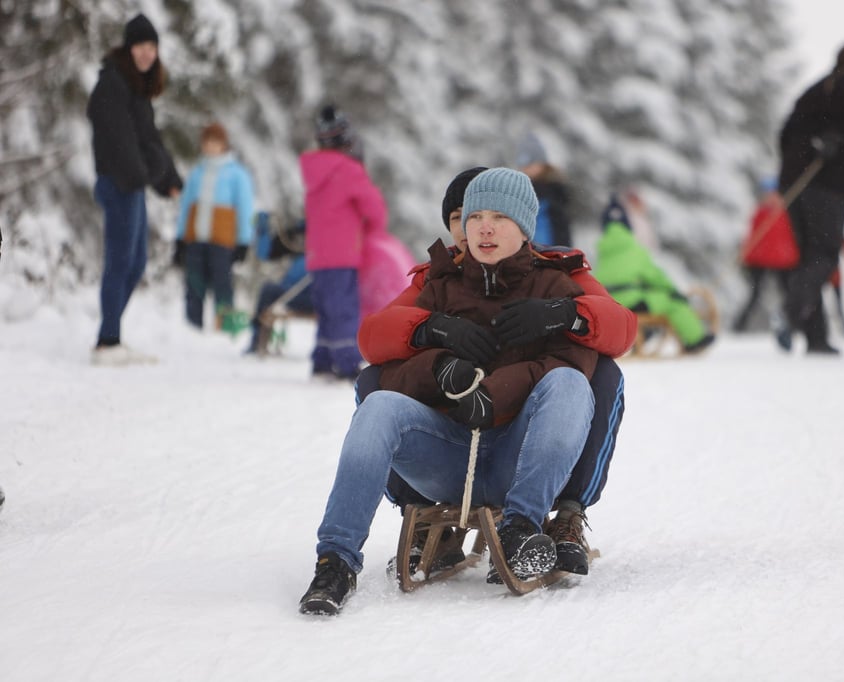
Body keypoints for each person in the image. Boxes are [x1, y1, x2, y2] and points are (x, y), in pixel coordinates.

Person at [299, 168, 598, 615]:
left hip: (520, 459)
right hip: (449, 458)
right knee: (379, 405)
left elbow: (577, 365)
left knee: (571, 385)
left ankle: (521, 529)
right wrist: (437, 365)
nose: (484, 227)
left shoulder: (554, 287)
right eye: (474, 216)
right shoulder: (439, 287)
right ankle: (336, 561)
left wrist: (498, 391)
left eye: (499, 216)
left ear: (524, 227)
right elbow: (386, 368)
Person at [356, 166, 637, 577]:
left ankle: (567, 516)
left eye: (494, 218)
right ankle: (419, 514)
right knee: (375, 382)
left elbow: (621, 328)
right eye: (462, 220)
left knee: (601, 375)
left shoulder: (552, 270)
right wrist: (428, 329)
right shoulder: (439, 277)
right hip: (457, 431)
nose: (473, 232)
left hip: (523, 422)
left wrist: (567, 314)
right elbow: (373, 337)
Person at [87, 13, 182, 365]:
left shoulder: (136, 89)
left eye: (153, 46)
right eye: (141, 45)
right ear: (129, 48)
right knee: (119, 263)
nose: (147, 53)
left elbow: (149, 140)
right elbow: (122, 143)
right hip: (118, 184)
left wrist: (168, 179)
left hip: (133, 186)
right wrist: (147, 174)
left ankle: (109, 335)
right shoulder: (112, 83)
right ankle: (108, 341)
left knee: (136, 262)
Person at [778, 43, 844, 355]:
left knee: (808, 258)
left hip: (793, 182)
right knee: (825, 253)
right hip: (825, 183)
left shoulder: (814, 90)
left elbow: (785, 132)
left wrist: (796, 160)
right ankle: (790, 313)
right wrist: (833, 149)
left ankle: (816, 337)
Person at [300, 105, 388, 380]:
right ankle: (347, 362)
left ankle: (322, 359)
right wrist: (374, 230)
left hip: (317, 255)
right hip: (343, 254)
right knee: (344, 309)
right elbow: (374, 208)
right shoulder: (349, 170)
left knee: (325, 308)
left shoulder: (313, 172)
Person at [593, 194, 715, 353]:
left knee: (647, 300)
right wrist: (674, 292)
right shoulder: (635, 249)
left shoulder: (602, 253)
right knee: (672, 302)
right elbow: (656, 277)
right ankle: (695, 340)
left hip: (609, 303)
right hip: (633, 302)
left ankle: (641, 337)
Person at [174, 123, 255, 331]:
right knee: (194, 284)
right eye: (207, 142)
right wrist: (180, 238)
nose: (210, 147)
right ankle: (193, 327)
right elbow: (185, 206)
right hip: (196, 238)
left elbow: (245, 209)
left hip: (222, 241)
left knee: (222, 285)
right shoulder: (197, 173)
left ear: (223, 144)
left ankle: (225, 327)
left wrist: (243, 241)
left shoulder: (236, 174)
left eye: (215, 143)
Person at [733, 176, 799, 335]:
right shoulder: (760, 213)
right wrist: (745, 253)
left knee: (789, 295)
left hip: (783, 260)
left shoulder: (787, 212)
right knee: (754, 294)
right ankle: (739, 326)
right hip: (760, 259)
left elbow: (791, 237)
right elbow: (752, 236)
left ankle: (793, 326)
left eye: (773, 193)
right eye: (767, 194)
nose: (770, 197)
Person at [515, 132, 573, 246]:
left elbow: (560, 229)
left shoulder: (552, 191)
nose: (526, 168)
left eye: (530, 163)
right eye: (522, 164)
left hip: (547, 253)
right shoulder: (519, 190)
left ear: (541, 164)